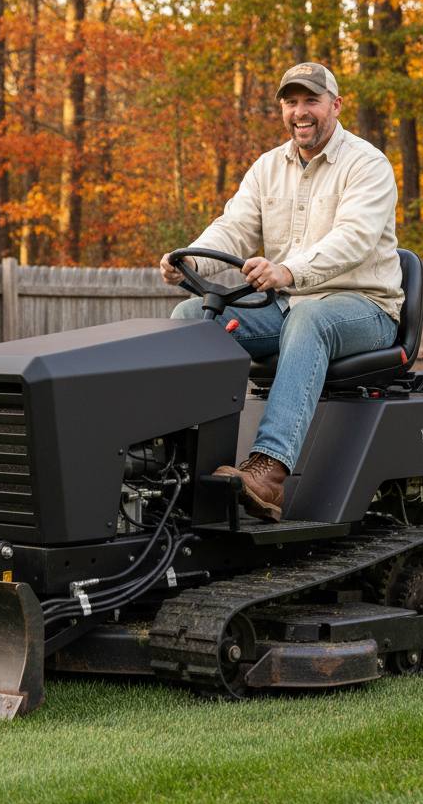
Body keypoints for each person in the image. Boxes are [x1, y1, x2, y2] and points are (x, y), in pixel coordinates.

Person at [160, 62, 404, 522]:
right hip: (287, 306)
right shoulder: (268, 168)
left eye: (311, 100)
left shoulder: (367, 164)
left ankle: (269, 471)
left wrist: (288, 270)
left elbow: (354, 238)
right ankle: (182, 461)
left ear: (336, 105)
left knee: (309, 319)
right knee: (192, 319)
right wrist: (192, 261)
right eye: (291, 102)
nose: (300, 112)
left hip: (365, 309)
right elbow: (234, 228)